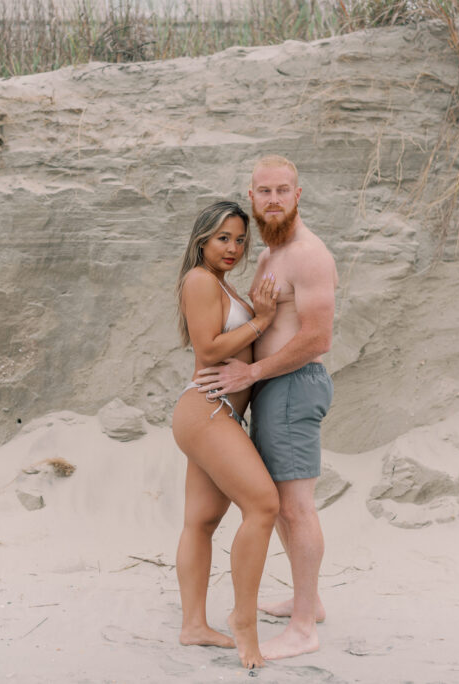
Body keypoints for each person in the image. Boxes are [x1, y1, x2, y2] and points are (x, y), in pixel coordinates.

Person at [195, 155, 337, 660]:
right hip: (274, 389)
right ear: (251, 197)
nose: (273, 199)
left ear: (298, 195)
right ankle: (310, 601)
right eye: (264, 191)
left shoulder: (308, 255)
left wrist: (251, 373)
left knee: (294, 508)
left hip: (294, 384)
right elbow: (268, 321)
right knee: (278, 502)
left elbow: (317, 337)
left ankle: (303, 628)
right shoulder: (268, 257)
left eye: (282, 190)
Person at [171, 200, 282, 669]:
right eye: (223, 238)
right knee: (263, 505)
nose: (233, 247)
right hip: (208, 410)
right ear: (202, 240)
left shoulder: (221, 285)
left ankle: (194, 626)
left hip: (215, 415)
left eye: (240, 239)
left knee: (201, 521)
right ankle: (244, 621)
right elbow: (209, 347)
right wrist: (262, 320)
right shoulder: (199, 280)